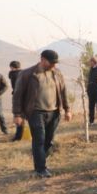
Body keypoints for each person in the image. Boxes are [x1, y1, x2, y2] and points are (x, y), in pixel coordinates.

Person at [12, 50, 72, 178]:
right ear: (43, 60)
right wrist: (17, 114)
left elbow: (63, 91)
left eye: (55, 63)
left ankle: (40, 160)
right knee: (39, 139)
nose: (54, 66)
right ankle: (40, 169)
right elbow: (17, 95)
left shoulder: (57, 73)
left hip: (54, 112)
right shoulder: (27, 74)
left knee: (49, 141)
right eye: (51, 63)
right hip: (35, 112)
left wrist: (67, 109)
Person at [8, 61, 25, 141]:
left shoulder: (13, 74)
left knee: (18, 116)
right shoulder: (25, 73)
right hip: (27, 96)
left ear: (11, 67)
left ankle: (18, 136)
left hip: (17, 96)